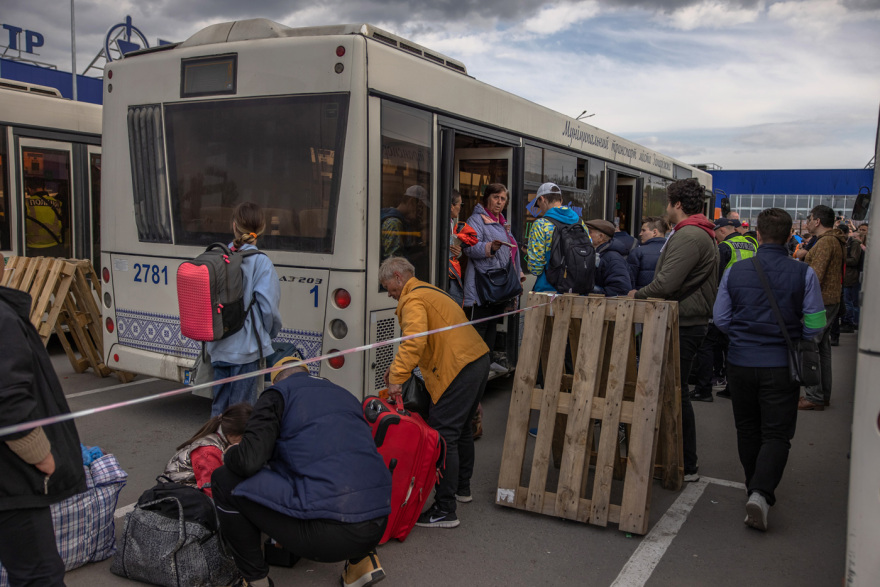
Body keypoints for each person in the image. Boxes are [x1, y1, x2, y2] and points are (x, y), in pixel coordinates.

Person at [211, 355, 392, 587]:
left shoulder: (276, 396)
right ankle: (362, 563)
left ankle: (255, 579)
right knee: (346, 473)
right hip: (378, 521)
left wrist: (230, 453)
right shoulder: (344, 394)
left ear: (275, 382)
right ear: (307, 374)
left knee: (224, 480)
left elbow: (249, 461)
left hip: (329, 533)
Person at [713, 208, 826, 531]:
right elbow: (815, 324)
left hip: (740, 363)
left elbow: (720, 318)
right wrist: (793, 337)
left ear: (758, 235)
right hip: (780, 365)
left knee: (747, 429)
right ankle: (761, 492)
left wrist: (743, 336)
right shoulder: (803, 273)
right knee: (777, 432)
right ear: (790, 235)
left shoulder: (736, 272)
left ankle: (754, 487)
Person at [380, 256, 490, 529]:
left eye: (390, 289)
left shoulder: (412, 300)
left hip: (458, 368)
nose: (390, 295)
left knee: (444, 434)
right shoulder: (430, 291)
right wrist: (397, 368)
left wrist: (396, 377)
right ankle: (462, 489)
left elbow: (414, 341)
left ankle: (445, 509)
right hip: (475, 360)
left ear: (398, 277)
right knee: (462, 429)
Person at [1, 254, 87, 586]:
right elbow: (8, 401)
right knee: (40, 575)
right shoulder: (2, 318)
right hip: (12, 479)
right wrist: (42, 455)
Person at [627, 178, 719, 482]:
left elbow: (666, 283)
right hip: (686, 318)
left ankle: (685, 463)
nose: (665, 208)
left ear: (677, 205)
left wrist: (636, 295)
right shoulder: (692, 232)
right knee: (671, 392)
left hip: (685, 321)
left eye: (668, 202)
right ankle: (675, 459)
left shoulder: (690, 235)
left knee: (674, 394)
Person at [207, 202, 283, 417]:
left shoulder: (218, 258)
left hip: (218, 345)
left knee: (219, 411)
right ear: (261, 229)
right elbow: (269, 309)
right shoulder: (261, 263)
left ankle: (213, 448)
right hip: (246, 350)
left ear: (234, 226)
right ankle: (234, 451)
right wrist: (269, 334)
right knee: (240, 415)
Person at [463, 183, 523, 369]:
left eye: (503, 198)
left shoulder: (502, 222)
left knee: (491, 327)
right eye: (496, 197)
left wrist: (517, 273)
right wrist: (490, 247)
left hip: (498, 286)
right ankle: (474, 371)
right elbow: (469, 247)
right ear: (487, 198)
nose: (499, 202)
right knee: (477, 331)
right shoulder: (475, 220)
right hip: (482, 286)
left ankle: (485, 365)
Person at [798, 205, 846, 411]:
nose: (807, 222)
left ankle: (814, 396)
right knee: (823, 348)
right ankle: (822, 394)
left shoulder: (826, 242)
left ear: (817, 221)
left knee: (809, 346)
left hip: (821, 302)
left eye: (809, 218)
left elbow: (815, 276)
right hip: (830, 299)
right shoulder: (834, 240)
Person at [164, 403, 252, 498]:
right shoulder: (208, 452)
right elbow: (212, 491)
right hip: (177, 495)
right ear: (232, 434)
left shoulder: (224, 440)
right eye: (246, 437)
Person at [526, 182, 590, 293]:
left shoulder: (541, 224)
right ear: (561, 200)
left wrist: (530, 253)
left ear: (542, 199)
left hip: (548, 291)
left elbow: (535, 268)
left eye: (538, 204)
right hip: (577, 290)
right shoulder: (580, 223)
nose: (540, 208)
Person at [381, 185, 428, 263]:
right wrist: (420, 255)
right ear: (412, 202)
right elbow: (394, 261)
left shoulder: (402, 222)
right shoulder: (394, 223)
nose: (420, 213)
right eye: (420, 207)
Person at [586, 219, 632, 296]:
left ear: (601, 237)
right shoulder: (599, 254)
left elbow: (620, 289)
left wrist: (589, 293)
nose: (586, 235)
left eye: (589, 232)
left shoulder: (612, 258)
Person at [627, 216, 668, 289]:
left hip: (641, 297)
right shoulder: (673, 250)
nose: (640, 234)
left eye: (643, 230)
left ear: (654, 232)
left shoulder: (638, 252)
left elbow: (630, 280)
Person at [840, 224, 862, 333]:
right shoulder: (843, 243)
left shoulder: (854, 244)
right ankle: (847, 321)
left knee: (850, 302)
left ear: (846, 233)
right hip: (844, 277)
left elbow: (854, 260)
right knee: (846, 301)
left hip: (851, 277)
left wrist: (840, 260)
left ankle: (851, 323)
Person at [448, 190, 465, 305]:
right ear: (451, 206)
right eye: (460, 204)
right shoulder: (443, 223)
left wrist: (457, 252)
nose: (461, 208)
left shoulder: (451, 222)